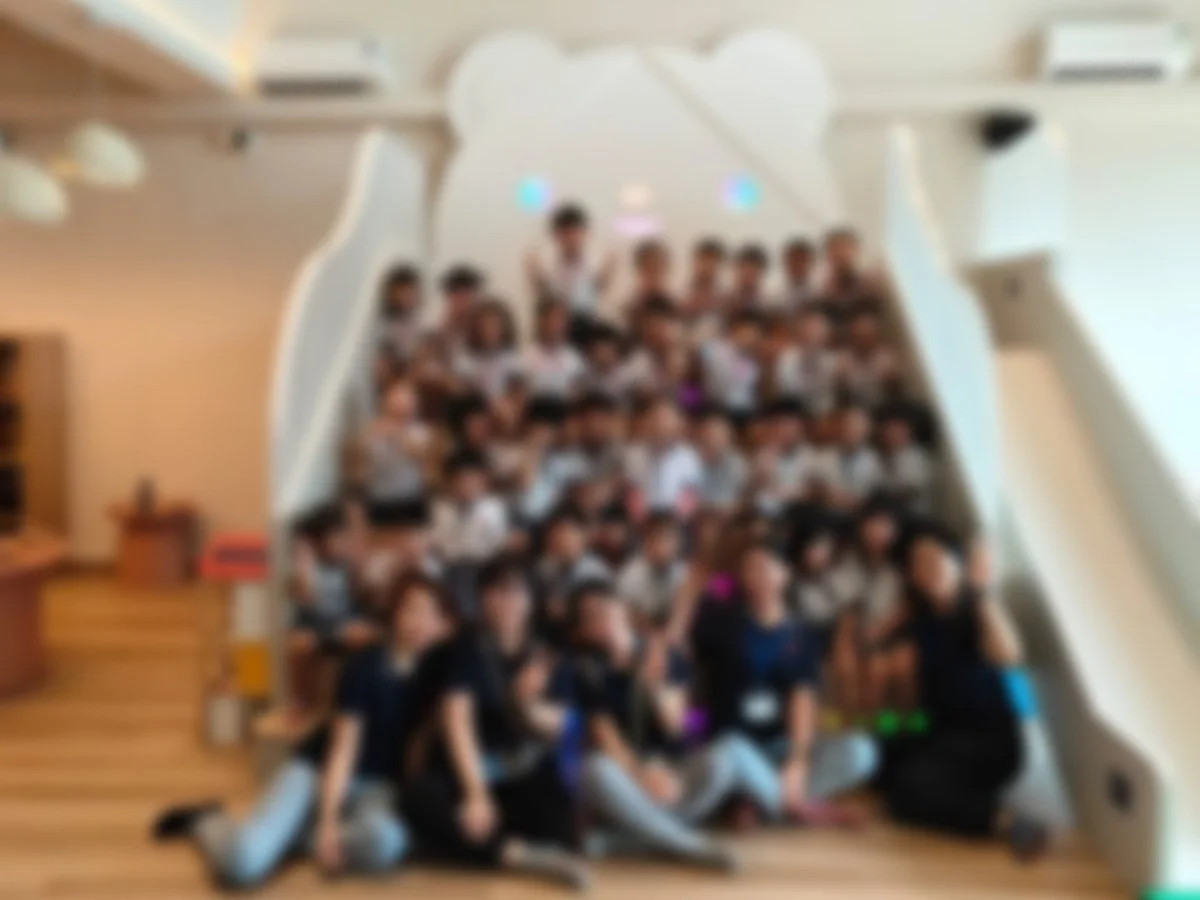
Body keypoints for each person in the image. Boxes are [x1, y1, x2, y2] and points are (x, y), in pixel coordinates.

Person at [153, 575, 451, 888]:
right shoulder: (367, 666)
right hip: (318, 772)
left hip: (377, 791)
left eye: (431, 613)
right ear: (395, 615)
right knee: (242, 863)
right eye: (411, 610)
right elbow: (343, 752)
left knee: (387, 842)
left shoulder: (442, 675)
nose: (420, 621)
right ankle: (206, 820)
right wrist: (329, 823)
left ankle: (293, 839)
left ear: (444, 624)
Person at [403, 557, 591, 890]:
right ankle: (514, 854)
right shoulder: (465, 648)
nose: (506, 601)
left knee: (564, 810)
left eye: (517, 592)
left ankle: (478, 846)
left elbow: (565, 726)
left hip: (522, 772)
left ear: (532, 600)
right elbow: (456, 718)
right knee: (420, 796)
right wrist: (476, 793)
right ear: (481, 598)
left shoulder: (547, 653)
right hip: (472, 771)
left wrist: (526, 704)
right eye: (496, 591)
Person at [879, 536, 1050, 861]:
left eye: (935, 559)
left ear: (958, 565)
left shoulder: (978, 608)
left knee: (905, 794)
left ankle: (1005, 821)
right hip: (942, 729)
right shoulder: (923, 622)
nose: (926, 569)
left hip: (990, 738)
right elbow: (903, 675)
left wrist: (983, 592)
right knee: (882, 744)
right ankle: (955, 788)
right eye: (917, 564)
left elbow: (1010, 655)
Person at [687, 542, 878, 826]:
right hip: (735, 746)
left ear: (784, 574)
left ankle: (762, 802)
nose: (759, 576)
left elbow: (802, 698)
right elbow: (691, 676)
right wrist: (692, 733)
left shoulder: (801, 635)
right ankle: (800, 808)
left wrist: (797, 761)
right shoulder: (721, 623)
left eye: (766, 567)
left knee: (861, 750)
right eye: (750, 569)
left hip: (779, 746)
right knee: (726, 752)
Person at [571, 581, 739, 871]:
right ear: (584, 631)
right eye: (592, 617)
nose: (603, 618)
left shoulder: (663, 653)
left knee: (724, 760)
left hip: (674, 770)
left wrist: (655, 686)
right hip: (628, 777)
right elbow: (606, 736)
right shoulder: (586, 670)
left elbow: (681, 727)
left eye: (607, 608)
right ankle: (689, 845)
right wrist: (641, 775)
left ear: (623, 610)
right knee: (594, 769)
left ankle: (632, 840)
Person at [287, 504, 377, 715]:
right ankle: (302, 702)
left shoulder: (348, 564)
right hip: (315, 626)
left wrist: (358, 564)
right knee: (298, 646)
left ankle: (356, 700)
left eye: (341, 537)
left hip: (345, 623)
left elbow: (363, 593)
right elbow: (307, 598)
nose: (337, 544)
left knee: (362, 636)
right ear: (318, 541)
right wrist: (304, 564)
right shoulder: (309, 566)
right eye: (331, 538)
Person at [527, 202, 614, 346]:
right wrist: (536, 279)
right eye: (565, 233)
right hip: (556, 335)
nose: (571, 238)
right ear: (556, 236)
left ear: (585, 233)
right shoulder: (548, 268)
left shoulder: (595, 265)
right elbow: (545, 301)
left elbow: (594, 297)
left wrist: (606, 276)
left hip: (586, 332)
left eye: (575, 232)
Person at [623, 395, 703, 517]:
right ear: (646, 422)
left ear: (678, 423)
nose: (660, 424)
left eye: (666, 419)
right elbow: (629, 492)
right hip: (642, 517)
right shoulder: (632, 454)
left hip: (676, 518)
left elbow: (693, 494)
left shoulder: (689, 456)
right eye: (655, 418)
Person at [357, 378, 433, 505]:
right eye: (397, 400)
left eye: (406, 401)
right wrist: (372, 434)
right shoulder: (373, 428)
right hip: (378, 494)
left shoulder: (420, 430)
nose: (401, 406)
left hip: (410, 494)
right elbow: (361, 459)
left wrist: (397, 434)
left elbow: (420, 456)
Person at [615, 512, 686, 633]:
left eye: (671, 538)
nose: (667, 545)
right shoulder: (630, 575)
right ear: (647, 542)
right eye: (661, 538)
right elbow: (623, 619)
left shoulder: (684, 574)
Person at [701, 309, 763, 428]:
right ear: (737, 328)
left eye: (756, 333)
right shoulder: (714, 349)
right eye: (749, 331)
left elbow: (750, 389)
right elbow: (720, 388)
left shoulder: (752, 359)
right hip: (718, 407)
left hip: (745, 410)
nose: (752, 337)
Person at [453, 299, 521, 404]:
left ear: (504, 328)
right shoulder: (467, 361)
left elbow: (517, 394)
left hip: (505, 407)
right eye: (485, 326)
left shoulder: (512, 360)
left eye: (494, 326)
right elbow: (463, 394)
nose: (490, 331)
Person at [523, 298, 587, 401]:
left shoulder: (575, 359)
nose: (555, 324)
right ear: (541, 321)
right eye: (551, 318)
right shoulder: (526, 357)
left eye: (560, 319)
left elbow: (579, 397)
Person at [682, 237, 727, 345]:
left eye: (712, 262)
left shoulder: (726, 301)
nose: (707, 267)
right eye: (703, 261)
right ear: (695, 262)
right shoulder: (681, 297)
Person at [379, 265, 425, 363]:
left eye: (409, 292)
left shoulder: (424, 318)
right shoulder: (389, 326)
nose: (404, 298)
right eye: (401, 293)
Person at [437, 265, 486, 356]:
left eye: (467, 295)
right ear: (450, 297)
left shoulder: (486, 328)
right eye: (458, 295)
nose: (463, 301)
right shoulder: (442, 332)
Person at [729, 243, 769, 311]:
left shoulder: (769, 305)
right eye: (744, 270)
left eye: (752, 271)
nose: (748, 276)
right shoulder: (722, 303)